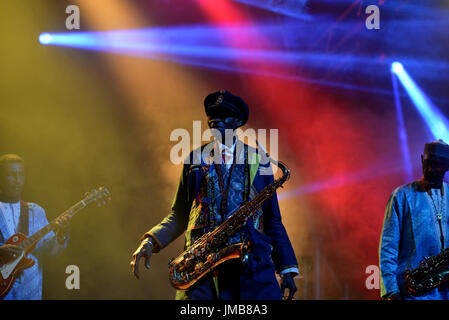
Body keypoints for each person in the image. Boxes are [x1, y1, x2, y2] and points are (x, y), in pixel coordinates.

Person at [131, 90, 299, 300]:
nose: (215, 119)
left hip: (250, 269)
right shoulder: (194, 160)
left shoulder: (259, 161)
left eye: (223, 113)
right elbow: (180, 214)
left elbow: (273, 220)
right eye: (212, 114)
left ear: (238, 121)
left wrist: (287, 269)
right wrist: (150, 240)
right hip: (201, 270)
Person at [379, 139, 449, 300]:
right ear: (421, 159)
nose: (430, 169)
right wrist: (391, 291)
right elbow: (388, 248)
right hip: (412, 293)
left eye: (437, 165)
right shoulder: (401, 195)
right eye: (427, 163)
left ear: (447, 166)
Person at [0, 154, 69, 300]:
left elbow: (51, 252)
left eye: (21, 175)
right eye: (11, 175)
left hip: (30, 292)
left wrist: (62, 235)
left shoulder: (36, 211)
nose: (17, 180)